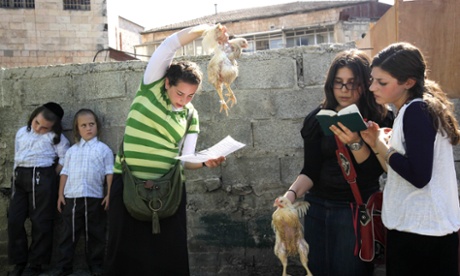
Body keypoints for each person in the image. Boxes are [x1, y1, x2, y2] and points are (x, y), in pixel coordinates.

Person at [103, 24, 226, 276]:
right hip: (127, 184)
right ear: (167, 83)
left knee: (169, 257)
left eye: (190, 96)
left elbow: (186, 160)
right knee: (121, 255)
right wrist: (208, 30)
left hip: (168, 192)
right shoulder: (151, 87)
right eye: (179, 92)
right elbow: (171, 44)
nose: (183, 100)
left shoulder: (191, 115)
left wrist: (205, 162)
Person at [281, 49, 394, 275]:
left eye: (352, 83)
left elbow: (375, 172)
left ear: (365, 84)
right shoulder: (317, 118)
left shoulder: (381, 118)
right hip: (317, 209)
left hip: (354, 211)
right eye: (338, 82)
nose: (344, 90)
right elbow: (310, 170)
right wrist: (290, 196)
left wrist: (355, 142)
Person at [361, 42, 460, 276]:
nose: (372, 87)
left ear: (408, 82)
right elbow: (403, 169)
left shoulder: (416, 111)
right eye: (372, 80)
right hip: (421, 229)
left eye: (381, 82)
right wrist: (378, 142)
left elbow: (418, 176)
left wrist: (385, 147)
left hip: (421, 234)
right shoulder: (413, 108)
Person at [8, 102, 70, 276]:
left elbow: (65, 158)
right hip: (20, 177)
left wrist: (50, 175)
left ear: (53, 126)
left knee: (41, 221)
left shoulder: (57, 138)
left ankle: (35, 264)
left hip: (42, 177)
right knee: (14, 219)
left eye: (44, 128)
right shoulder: (22, 132)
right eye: (37, 123)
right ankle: (18, 261)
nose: (38, 129)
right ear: (33, 116)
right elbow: (17, 154)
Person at [51, 108, 113, 276]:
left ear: (97, 126)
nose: (88, 128)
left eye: (91, 124)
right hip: (72, 198)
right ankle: (64, 267)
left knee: (95, 234)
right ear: (77, 129)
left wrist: (109, 194)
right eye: (83, 125)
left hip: (95, 198)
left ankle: (96, 266)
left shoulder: (104, 150)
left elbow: (109, 172)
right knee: (68, 234)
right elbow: (65, 173)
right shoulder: (72, 151)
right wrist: (60, 195)